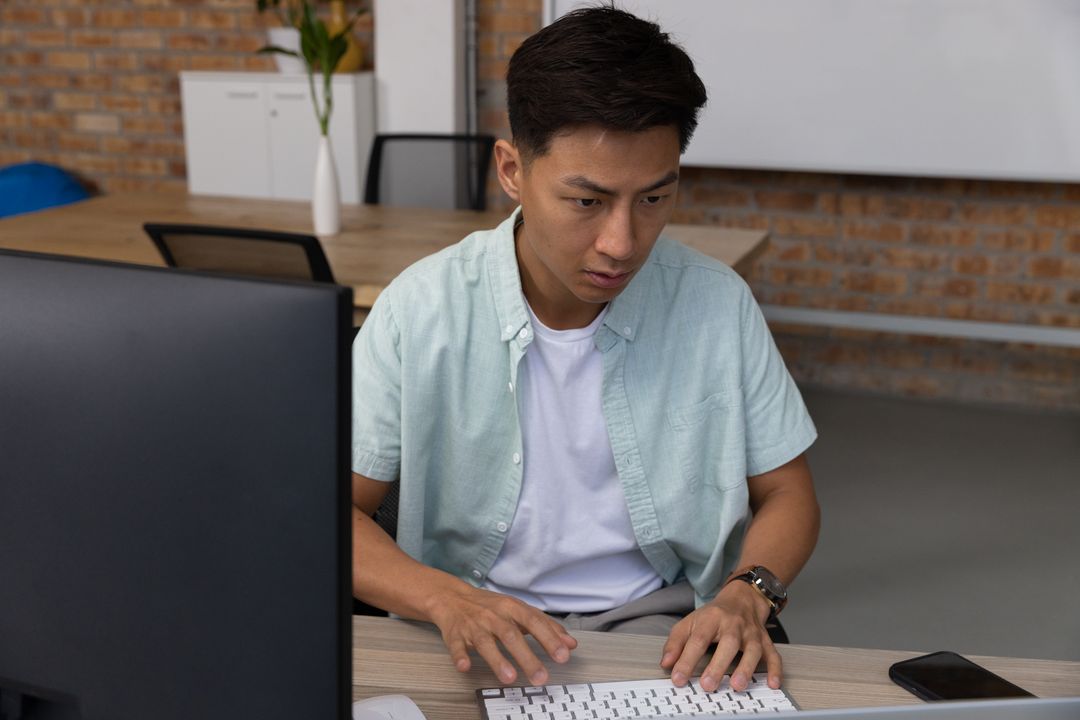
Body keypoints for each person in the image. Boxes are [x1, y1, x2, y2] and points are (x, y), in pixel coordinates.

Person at [351, 5, 820, 695]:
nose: (622, 243)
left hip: (659, 632)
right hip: (466, 622)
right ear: (512, 169)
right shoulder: (420, 309)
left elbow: (789, 493)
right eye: (587, 202)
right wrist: (441, 599)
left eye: (655, 197)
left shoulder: (714, 303)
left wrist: (747, 593)